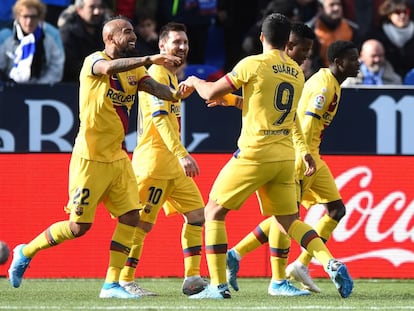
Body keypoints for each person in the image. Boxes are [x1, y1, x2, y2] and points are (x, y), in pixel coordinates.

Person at [7, 15, 188, 299]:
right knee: (79, 227)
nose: (133, 36)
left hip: (117, 158)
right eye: (126, 32)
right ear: (109, 38)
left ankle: (111, 284)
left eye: (133, 31)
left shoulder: (137, 72)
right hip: (89, 158)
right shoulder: (94, 61)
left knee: (132, 216)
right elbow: (109, 68)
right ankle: (26, 251)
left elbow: (159, 90)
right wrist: (150, 59)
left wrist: (178, 92)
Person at [181, 13, 354, 299]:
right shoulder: (297, 72)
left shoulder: (253, 63)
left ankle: (218, 286)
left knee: (213, 212)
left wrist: (194, 80)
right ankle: (329, 261)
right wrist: (236, 101)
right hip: (285, 157)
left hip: (255, 153)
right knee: (289, 220)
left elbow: (210, 90)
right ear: (287, 41)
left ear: (262, 37)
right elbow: (272, 108)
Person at [225, 39, 360, 295]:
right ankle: (275, 278)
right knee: (286, 217)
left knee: (336, 209)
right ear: (339, 62)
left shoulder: (332, 83)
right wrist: (303, 155)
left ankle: (298, 264)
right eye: (354, 59)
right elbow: (306, 124)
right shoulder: (322, 86)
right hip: (302, 156)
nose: (359, 63)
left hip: (313, 155)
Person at [118, 21, 208, 297]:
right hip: (155, 164)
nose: (182, 47)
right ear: (162, 46)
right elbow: (159, 121)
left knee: (196, 214)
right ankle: (123, 280)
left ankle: (192, 278)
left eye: (185, 42)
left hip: (171, 166)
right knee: (141, 224)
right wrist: (182, 154)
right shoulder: (156, 72)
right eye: (176, 42)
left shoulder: (170, 78)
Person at [0, 0, 64, 84]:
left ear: (39, 16)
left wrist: (38, 87)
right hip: (10, 88)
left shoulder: (52, 35)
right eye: (25, 16)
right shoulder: (5, 36)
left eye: (33, 17)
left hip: (44, 89)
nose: (29, 21)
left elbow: (56, 68)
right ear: (18, 17)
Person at [59, 0, 105, 82]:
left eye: (100, 7)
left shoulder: (105, 30)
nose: (97, 12)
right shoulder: (67, 32)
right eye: (92, 7)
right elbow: (70, 66)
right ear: (79, 10)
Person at [367, 0, 414, 80]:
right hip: (385, 79)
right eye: (397, 12)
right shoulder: (377, 34)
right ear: (389, 14)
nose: (402, 15)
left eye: (406, 12)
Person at [307, 0, 360, 68]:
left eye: (339, 4)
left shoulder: (352, 29)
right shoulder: (311, 30)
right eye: (332, 5)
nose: (336, 8)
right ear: (320, 8)